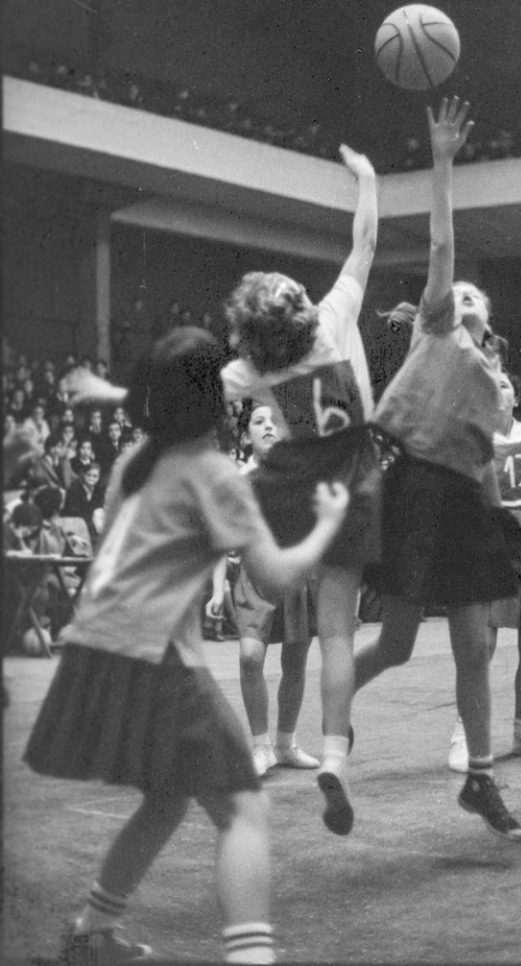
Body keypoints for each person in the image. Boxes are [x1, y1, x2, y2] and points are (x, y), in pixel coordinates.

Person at [25, 327, 349, 966]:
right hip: (151, 654)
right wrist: (330, 524)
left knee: (169, 795)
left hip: (94, 650)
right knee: (243, 812)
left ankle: (91, 933)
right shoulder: (213, 472)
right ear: (215, 402)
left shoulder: (133, 463)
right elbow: (277, 577)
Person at [353, 97, 521, 841]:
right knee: (395, 643)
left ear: (484, 321)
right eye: (451, 292)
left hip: (463, 502)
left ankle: (481, 778)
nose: (455, 295)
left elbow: (487, 465)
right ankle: (336, 710)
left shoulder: (492, 385)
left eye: (467, 299)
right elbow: (441, 245)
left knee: (475, 646)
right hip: (413, 489)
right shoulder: (434, 322)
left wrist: (503, 525)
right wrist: (441, 163)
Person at [220, 143, 380, 837]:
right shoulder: (335, 324)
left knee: (263, 600)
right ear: (301, 308)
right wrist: (368, 178)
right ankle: (334, 754)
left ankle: (261, 726)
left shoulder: (250, 370)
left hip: (288, 483)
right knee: (337, 633)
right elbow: (365, 240)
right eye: (292, 287)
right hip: (350, 476)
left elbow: (188, 389)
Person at [447, 371, 521, 773]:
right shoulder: (474, 438)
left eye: (504, 383)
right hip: (492, 534)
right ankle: (463, 735)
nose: (496, 388)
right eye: (490, 383)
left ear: (516, 395)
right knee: (482, 643)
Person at [207, 398, 319, 776]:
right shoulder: (237, 481)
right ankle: (261, 746)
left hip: (295, 576)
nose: (268, 426)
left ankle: (286, 743)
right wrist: (217, 587)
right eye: (258, 421)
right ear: (246, 433)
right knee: (250, 657)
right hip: (254, 579)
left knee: (295, 662)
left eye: (275, 421)